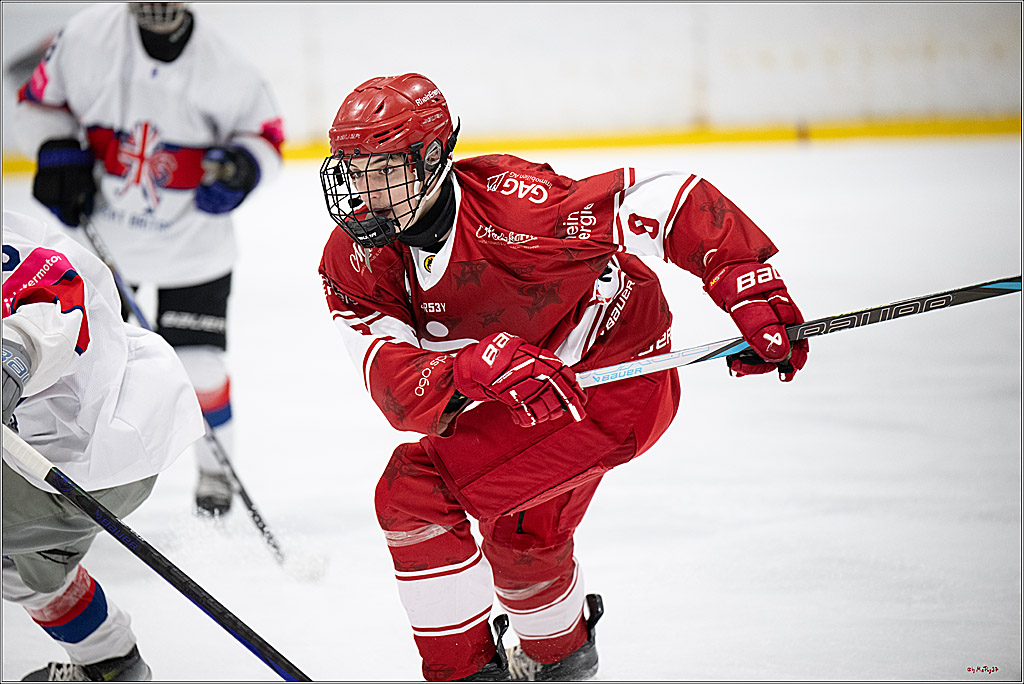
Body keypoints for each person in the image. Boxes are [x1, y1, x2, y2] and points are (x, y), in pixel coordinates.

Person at [316, 73, 810, 681]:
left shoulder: (519, 210)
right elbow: (393, 383)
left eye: (382, 168)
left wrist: (746, 280)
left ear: (432, 159)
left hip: (615, 380)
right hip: (530, 394)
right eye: (352, 167)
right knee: (522, 535)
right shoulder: (353, 259)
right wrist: (470, 368)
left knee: (416, 493)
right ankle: (562, 663)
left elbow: (665, 199)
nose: (362, 190)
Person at [12, 1, 285, 516]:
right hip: (104, 245)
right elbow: (38, 102)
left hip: (193, 245)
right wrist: (54, 148)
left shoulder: (225, 63)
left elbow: (267, 139)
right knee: (90, 368)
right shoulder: (88, 36)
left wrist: (241, 169)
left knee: (199, 364)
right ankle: (91, 480)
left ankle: (214, 469)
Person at [2, 209, 205, 681]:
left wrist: (11, 359)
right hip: (92, 441)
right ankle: (110, 663)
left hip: (89, 455)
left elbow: (50, 296)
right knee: (21, 565)